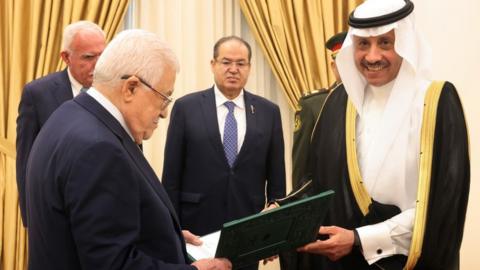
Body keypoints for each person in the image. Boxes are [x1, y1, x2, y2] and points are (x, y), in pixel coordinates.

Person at [25, 29, 231, 270]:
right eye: (164, 97)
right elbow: (112, 264)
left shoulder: (68, 115)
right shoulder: (98, 149)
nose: (164, 112)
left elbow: (96, 228)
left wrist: (166, 234)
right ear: (131, 88)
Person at [296, 0, 470, 269]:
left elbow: (443, 209)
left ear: (405, 43)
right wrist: (280, 213)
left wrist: (359, 238)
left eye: (385, 43)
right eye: (363, 44)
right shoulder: (338, 102)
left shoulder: (436, 103)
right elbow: (319, 182)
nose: (373, 56)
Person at [162, 36, 286, 265]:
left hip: (248, 231)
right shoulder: (185, 108)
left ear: (249, 67)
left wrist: (274, 232)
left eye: (241, 63)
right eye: (226, 62)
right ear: (213, 65)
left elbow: (277, 182)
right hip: (196, 231)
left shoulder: (269, 112)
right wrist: (173, 229)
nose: (233, 70)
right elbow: (171, 177)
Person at [16, 20, 106, 226]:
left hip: (103, 210)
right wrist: (32, 220)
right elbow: (26, 162)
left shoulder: (115, 91)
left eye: (103, 55)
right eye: (89, 57)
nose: (98, 64)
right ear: (66, 57)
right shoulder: (38, 93)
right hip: (55, 213)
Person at [291, 31, 346, 190]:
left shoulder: (371, 100)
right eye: (342, 62)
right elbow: (301, 169)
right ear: (333, 66)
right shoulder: (314, 105)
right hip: (329, 197)